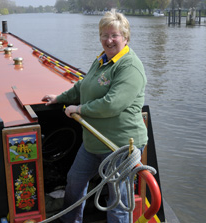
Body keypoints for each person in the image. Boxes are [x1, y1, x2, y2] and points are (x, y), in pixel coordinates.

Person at [42, 11, 148, 223]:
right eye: (104, 35)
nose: (109, 40)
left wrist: (79, 109)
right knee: (75, 180)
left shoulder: (130, 66)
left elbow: (112, 104)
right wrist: (59, 98)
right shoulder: (102, 59)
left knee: (118, 201)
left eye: (114, 35)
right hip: (94, 141)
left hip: (119, 146)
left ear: (125, 37)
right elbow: (84, 85)